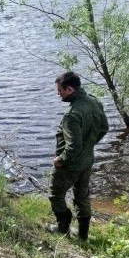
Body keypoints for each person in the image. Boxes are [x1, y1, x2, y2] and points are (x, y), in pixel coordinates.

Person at [47, 71, 109, 240]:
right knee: (82, 196)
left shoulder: (71, 115)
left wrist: (61, 160)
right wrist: (89, 145)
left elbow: (73, 146)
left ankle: (63, 227)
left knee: (55, 194)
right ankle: (83, 236)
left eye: (59, 90)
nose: (57, 93)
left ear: (69, 89)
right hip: (87, 161)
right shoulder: (94, 101)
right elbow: (104, 128)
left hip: (70, 165)